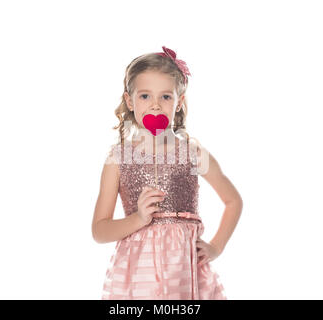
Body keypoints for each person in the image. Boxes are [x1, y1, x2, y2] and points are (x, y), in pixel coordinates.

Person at [92, 46, 243, 299]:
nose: (155, 106)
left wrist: (216, 246)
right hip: (138, 274)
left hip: (184, 270)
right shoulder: (117, 160)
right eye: (144, 97)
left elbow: (233, 201)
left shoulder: (192, 154)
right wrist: (138, 219)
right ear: (130, 101)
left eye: (165, 97)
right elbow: (99, 230)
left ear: (179, 101)